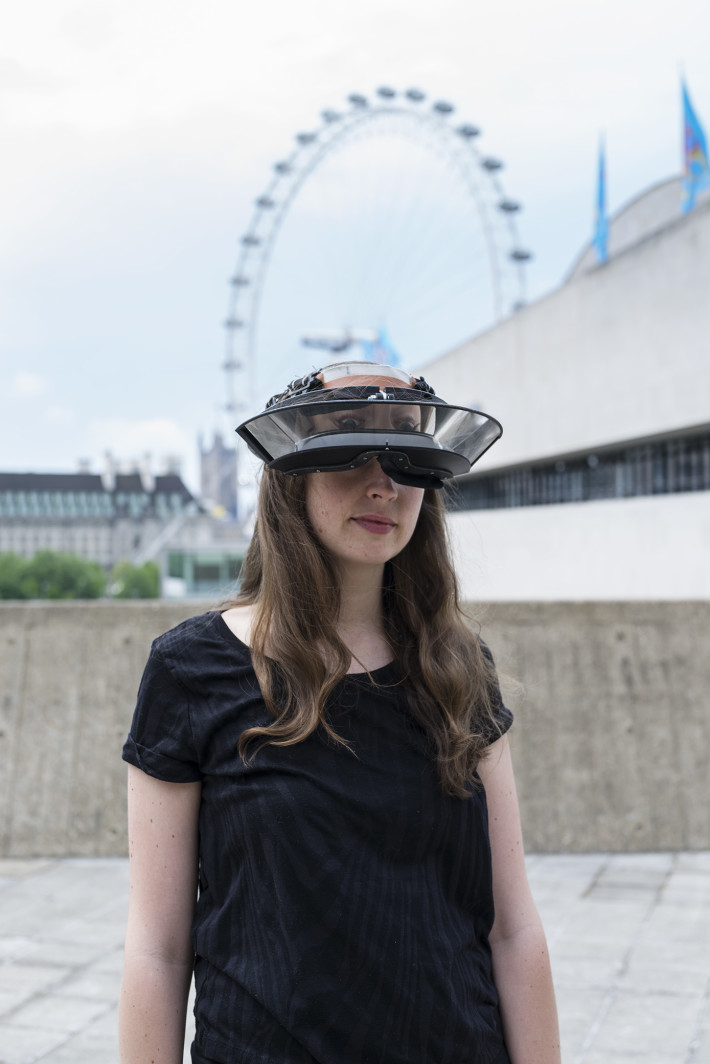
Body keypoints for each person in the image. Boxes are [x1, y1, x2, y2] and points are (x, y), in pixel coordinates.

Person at [119, 361, 561, 1064]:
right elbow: (158, 948)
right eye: (347, 451)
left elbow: (511, 929)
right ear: (290, 474)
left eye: (406, 458)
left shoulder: (458, 667)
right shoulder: (189, 670)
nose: (383, 483)